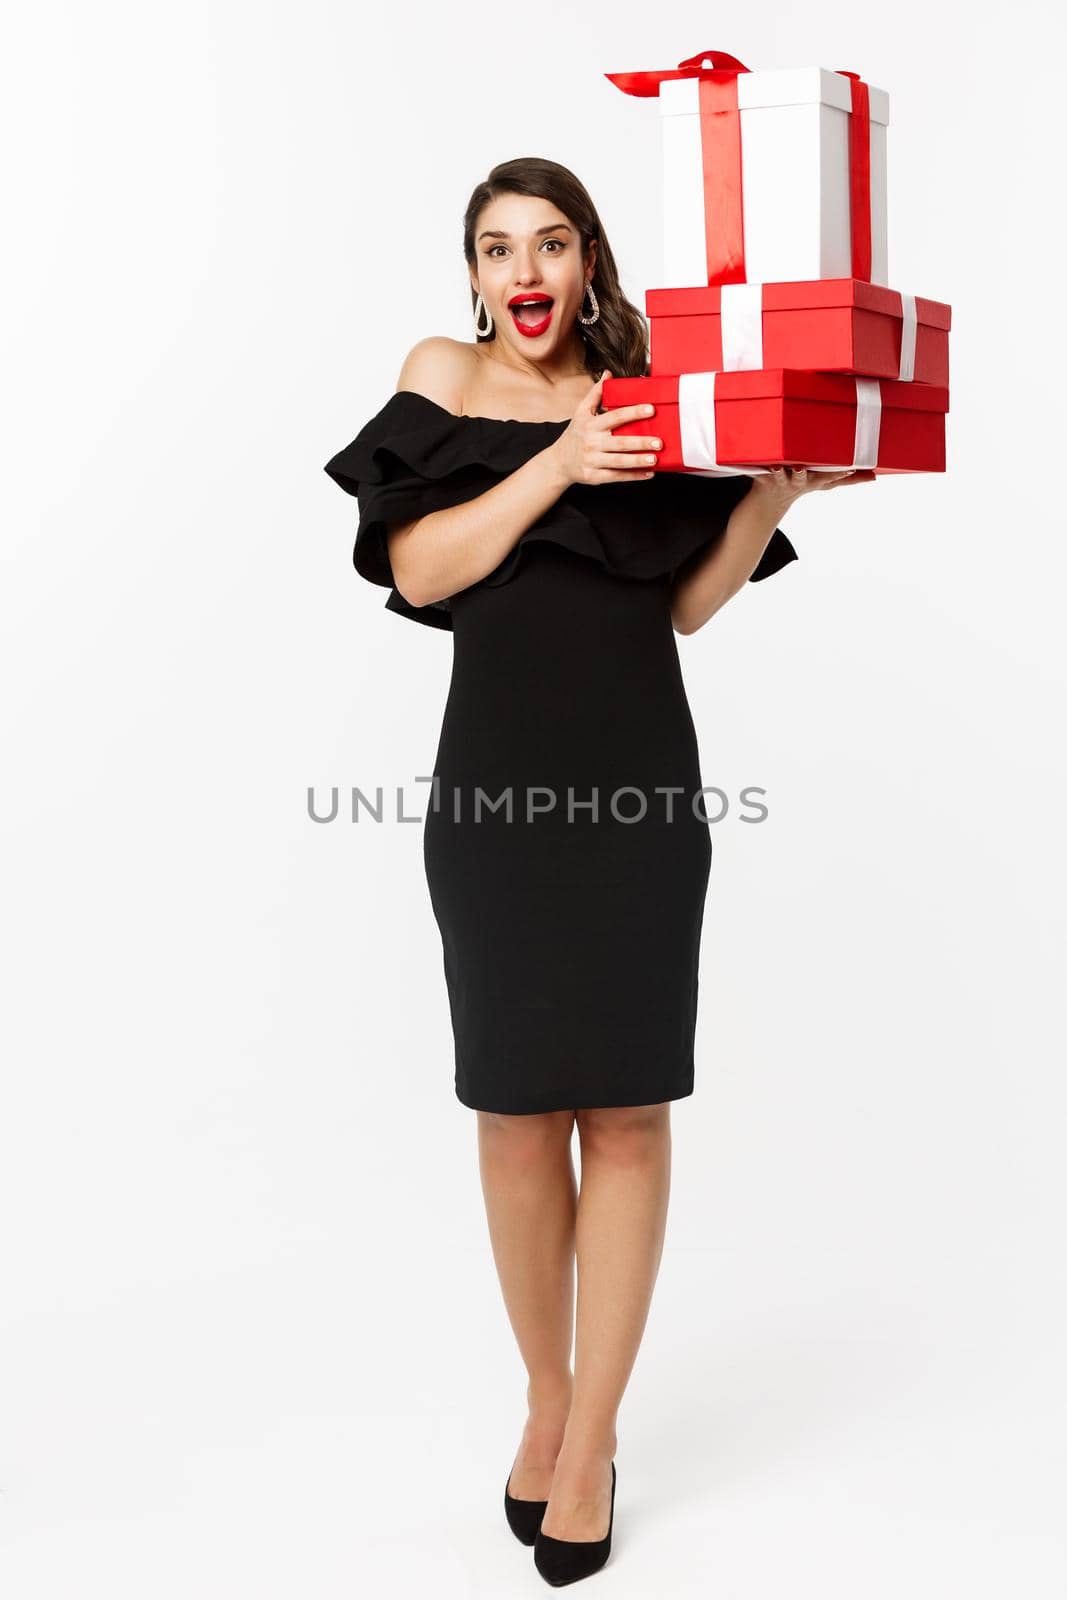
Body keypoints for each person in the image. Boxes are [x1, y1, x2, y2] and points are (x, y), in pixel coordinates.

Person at [323, 157, 870, 1586]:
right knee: (514, 1116)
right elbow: (426, 568)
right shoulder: (444, 376)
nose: (528, 269)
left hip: (641, 798)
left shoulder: (654, 387)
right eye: (500, 245)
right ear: (473, 273)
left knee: (625, 1115)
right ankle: (547, 1398)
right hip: (496, 802)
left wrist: (765, 495)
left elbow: (683, 607)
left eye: (552, 242)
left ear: (587, 262)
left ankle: (594, 1437)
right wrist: (558, 464)